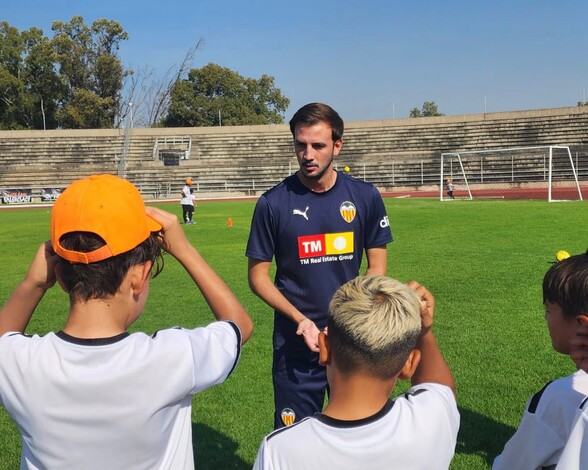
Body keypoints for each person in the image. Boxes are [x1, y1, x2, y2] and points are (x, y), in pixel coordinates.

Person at [0, 174, 253, 470]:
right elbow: (239, 325)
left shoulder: (18, 362)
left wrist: (33, 284)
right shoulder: (173, 356)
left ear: (59, 276)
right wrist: (185, 250)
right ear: (139, 276)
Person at [246, 102, 393, 429]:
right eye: (301, 145)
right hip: (295, 347)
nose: (307, 154)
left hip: (351, 342)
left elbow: (377, 268)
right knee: (294, 441)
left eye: (318, 146)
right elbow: (258, 277)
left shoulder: (365, 197)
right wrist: (301, 320)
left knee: (357, 436)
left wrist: (344, 319)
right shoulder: (272, 203)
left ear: (337, 146)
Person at [253, 276, 459, 469]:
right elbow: (440, 387)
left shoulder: (280, 451)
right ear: (410, 364)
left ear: (324, 349)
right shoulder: (433, 418)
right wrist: (424, 331)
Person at [493, 251, 588, 469]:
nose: (546, 317)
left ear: (582, 326)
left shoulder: (557, 398)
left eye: (548, 309)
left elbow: (512, 465)